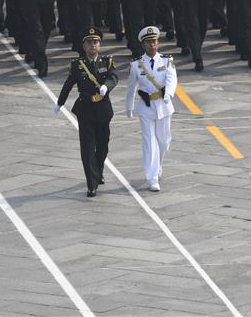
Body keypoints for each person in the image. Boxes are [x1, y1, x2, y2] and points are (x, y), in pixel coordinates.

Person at [55, 27, 118, 197]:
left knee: (103, 145)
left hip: (103, 109)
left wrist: (106, 86)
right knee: (87, 148)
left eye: (95, 42)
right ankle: (91, 183)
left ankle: (98, 170)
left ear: (100, 45)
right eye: (89, 42)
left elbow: (113, 77)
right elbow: (69, 84)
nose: (92, 45)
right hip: (85, 109)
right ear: (83, 45)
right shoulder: (77, 65)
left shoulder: (107, 62)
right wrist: (60, 102)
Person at [124, 26, 177, 192]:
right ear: (143, 45)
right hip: (146, 108)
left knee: (164, 141)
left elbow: (172, 80)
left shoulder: (166, 61)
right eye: (148, 42)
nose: (152, 45)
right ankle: (152, 177)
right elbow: (131, 87)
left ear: (158, 43)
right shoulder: (136, 65)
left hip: (164, 106)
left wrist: (168, 94)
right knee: (149, 143)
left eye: (154, 41)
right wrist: (128, 107)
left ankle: (158, 165)